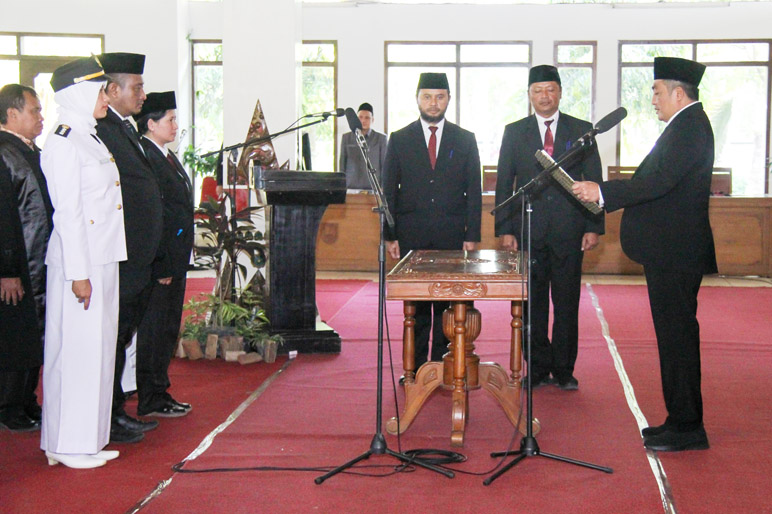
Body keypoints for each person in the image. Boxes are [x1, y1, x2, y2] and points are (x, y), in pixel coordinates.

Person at [572, 57, 716, 452]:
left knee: (678, 338)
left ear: (677, 93)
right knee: (672, 338)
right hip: (670, 251)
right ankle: (678, 419)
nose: (652, 99)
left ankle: (688, 427)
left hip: (676, 252)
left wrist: (602, 192)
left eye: (656, 91)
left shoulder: (690, 127)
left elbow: (658, 182)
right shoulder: (684, 126)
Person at [494, 65, 604, 391]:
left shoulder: (581, 130)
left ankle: (564, 369)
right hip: (529, 229)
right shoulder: (515, 132)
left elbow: (592, 179)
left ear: (560, 92)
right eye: (538, 90)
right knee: (534, 305)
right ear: (529, 95)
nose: (545, 96)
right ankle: (538, 367)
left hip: (571, 230)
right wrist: (506, 228)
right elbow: (504, 184)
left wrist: (593, 224)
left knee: (567, 303)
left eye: (550, 89)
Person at [40, 56, 126, 468]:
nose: (107, 98)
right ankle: (67, 444)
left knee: (97, 353)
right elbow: (68, 214)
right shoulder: (62, 141)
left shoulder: (89, 137)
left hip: (102, 259)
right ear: (77, 93)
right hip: (82, 264)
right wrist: (79, 274)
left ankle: (86, 439)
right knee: (75, 354)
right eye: (100, 90)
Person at [383, 72, 482, 374]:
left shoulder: (465, 139)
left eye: (440, 96)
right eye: (427, 96)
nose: (433, 102)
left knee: (446, 308)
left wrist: (472, 234)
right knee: (415, 309)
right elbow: (388, 191)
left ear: (449, 99)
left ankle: (441, 366)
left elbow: (474, 191)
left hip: (452, 236)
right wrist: (389, 234)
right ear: (417, 99)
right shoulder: (399, 139)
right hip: (411, 236)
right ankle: (413, 370)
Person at [96, 52, 163, 443]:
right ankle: (109, 414)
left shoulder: (126, 130)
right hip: (121, 258)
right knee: (113, 338)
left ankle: (116, 409)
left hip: (137, 257)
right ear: (113, 90)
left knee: (121, 338)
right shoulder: (103, 132)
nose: (142, 95)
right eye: (137, 87)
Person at [132, 92, 193, 418]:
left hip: (174, 259)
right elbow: (155, 216)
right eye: (169, 119)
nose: (175, 125)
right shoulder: (148, 158)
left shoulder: (165, 155)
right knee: (155, 330)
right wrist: (163, 262)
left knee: (167, 328)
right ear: (151, 124)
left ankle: (160, 390)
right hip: (163, 262)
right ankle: (151, 397)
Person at [0, 85, 53, 432]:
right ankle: (8, 407)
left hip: (39, 260)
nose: (40, 117)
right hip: (17, 266)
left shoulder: (29, 151)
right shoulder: (4, 153)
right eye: (34, 110)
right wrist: (7, 270)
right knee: (16, 339)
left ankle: (27, 401)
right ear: (12, 114)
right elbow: (3, 217)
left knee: (35, 336)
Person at [339, 102, 388, 190]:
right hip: (350, 188)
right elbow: (342, 165)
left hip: (374, 189)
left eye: (367, 118)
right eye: (360, 117)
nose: (363, 121)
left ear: (372, 120)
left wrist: (384, 188)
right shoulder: (346, 138)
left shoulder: (381, 139)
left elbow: (385, 166)